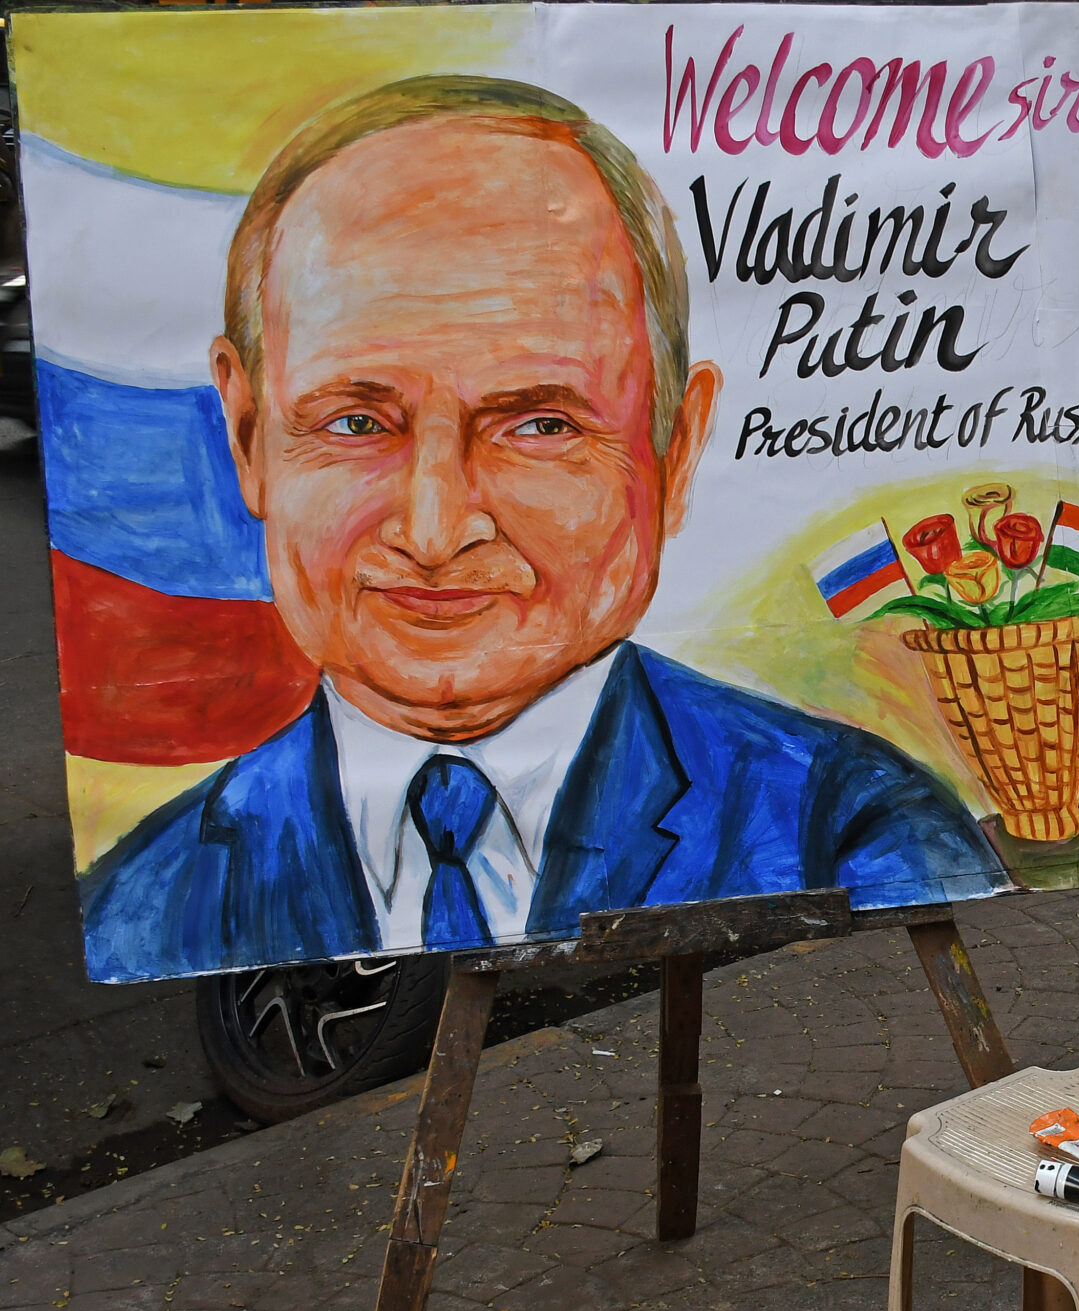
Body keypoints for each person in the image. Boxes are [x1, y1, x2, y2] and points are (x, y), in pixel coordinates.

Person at [81, 77, 1003, 982]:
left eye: (539, 426)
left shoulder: (848, 831)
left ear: (675, 449)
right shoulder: (145, 902)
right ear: (247, 434)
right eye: (357, 423)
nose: (435, 533)